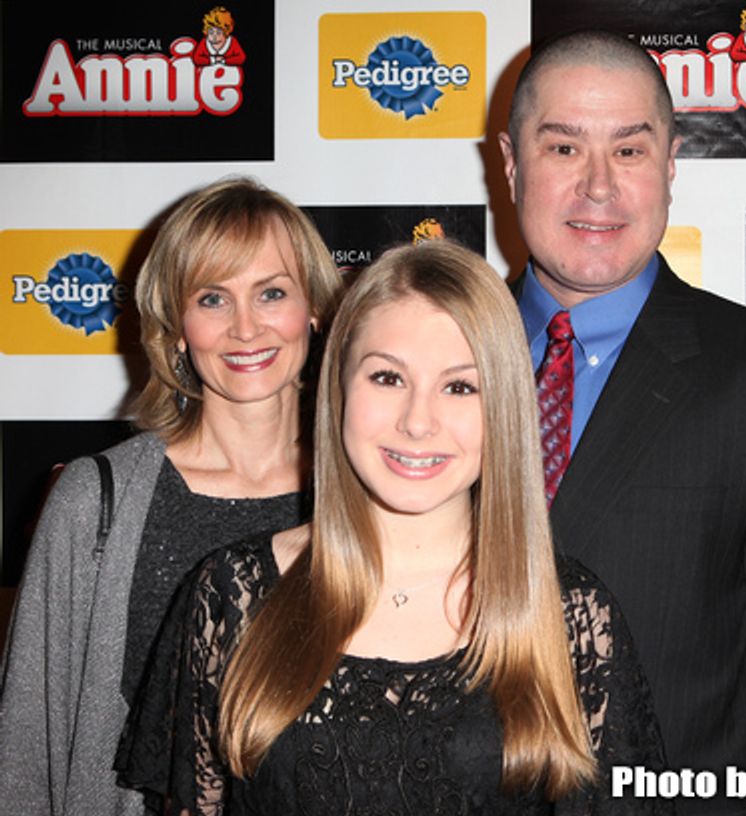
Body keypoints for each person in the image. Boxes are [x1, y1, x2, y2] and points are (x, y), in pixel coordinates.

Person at [116, 242, 669, 814]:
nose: (418, 421)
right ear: (340, 391)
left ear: (502, 408)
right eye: (387, 378)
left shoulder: (571, 616)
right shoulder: (231, 595)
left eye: (459, 386)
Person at [498, 30, 746, 815]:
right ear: (512, 161)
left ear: (670, 165)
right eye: (562, 148)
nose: (598, 187)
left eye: (629, 150)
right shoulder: (419, 360)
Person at [0, 177, 342, 816]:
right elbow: (25, 746)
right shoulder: (92, 500)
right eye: (213, 298)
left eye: (272, 293)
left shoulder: (368, 495)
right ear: (177, 327)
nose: (246, 327)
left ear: (314, 311)